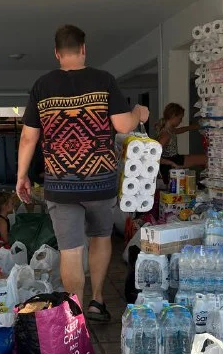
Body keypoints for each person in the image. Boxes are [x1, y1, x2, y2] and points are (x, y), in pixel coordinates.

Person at [16, 24, 148, 321]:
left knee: (71, 250)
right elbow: (123, 125)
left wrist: (22, 175)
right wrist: (139, 112)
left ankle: (75, 315)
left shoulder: (42, 86)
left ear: (57, 53)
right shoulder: (103, 80)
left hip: (60, 184)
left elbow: (28, 138)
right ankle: (97, 301)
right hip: (100, 181)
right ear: (84, 49)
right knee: (100, 237)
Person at [154, 103, 200, 182]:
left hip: (174, 158)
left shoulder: (170, 130)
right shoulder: (166, 134)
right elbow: (154, 156)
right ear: (173, 116)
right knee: (205, 159)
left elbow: (179, 130)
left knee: (203, 159)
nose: (181, 121)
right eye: (180, 118)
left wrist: (192, 127)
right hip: (170, 162)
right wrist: (170, 163)